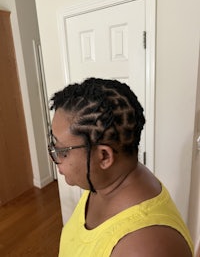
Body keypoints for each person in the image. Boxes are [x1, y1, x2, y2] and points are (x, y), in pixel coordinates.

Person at [48, 77, 194, 257]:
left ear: (104, 156)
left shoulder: (143, 247)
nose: (55, 156)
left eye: (62, 150)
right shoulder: (104, 181)